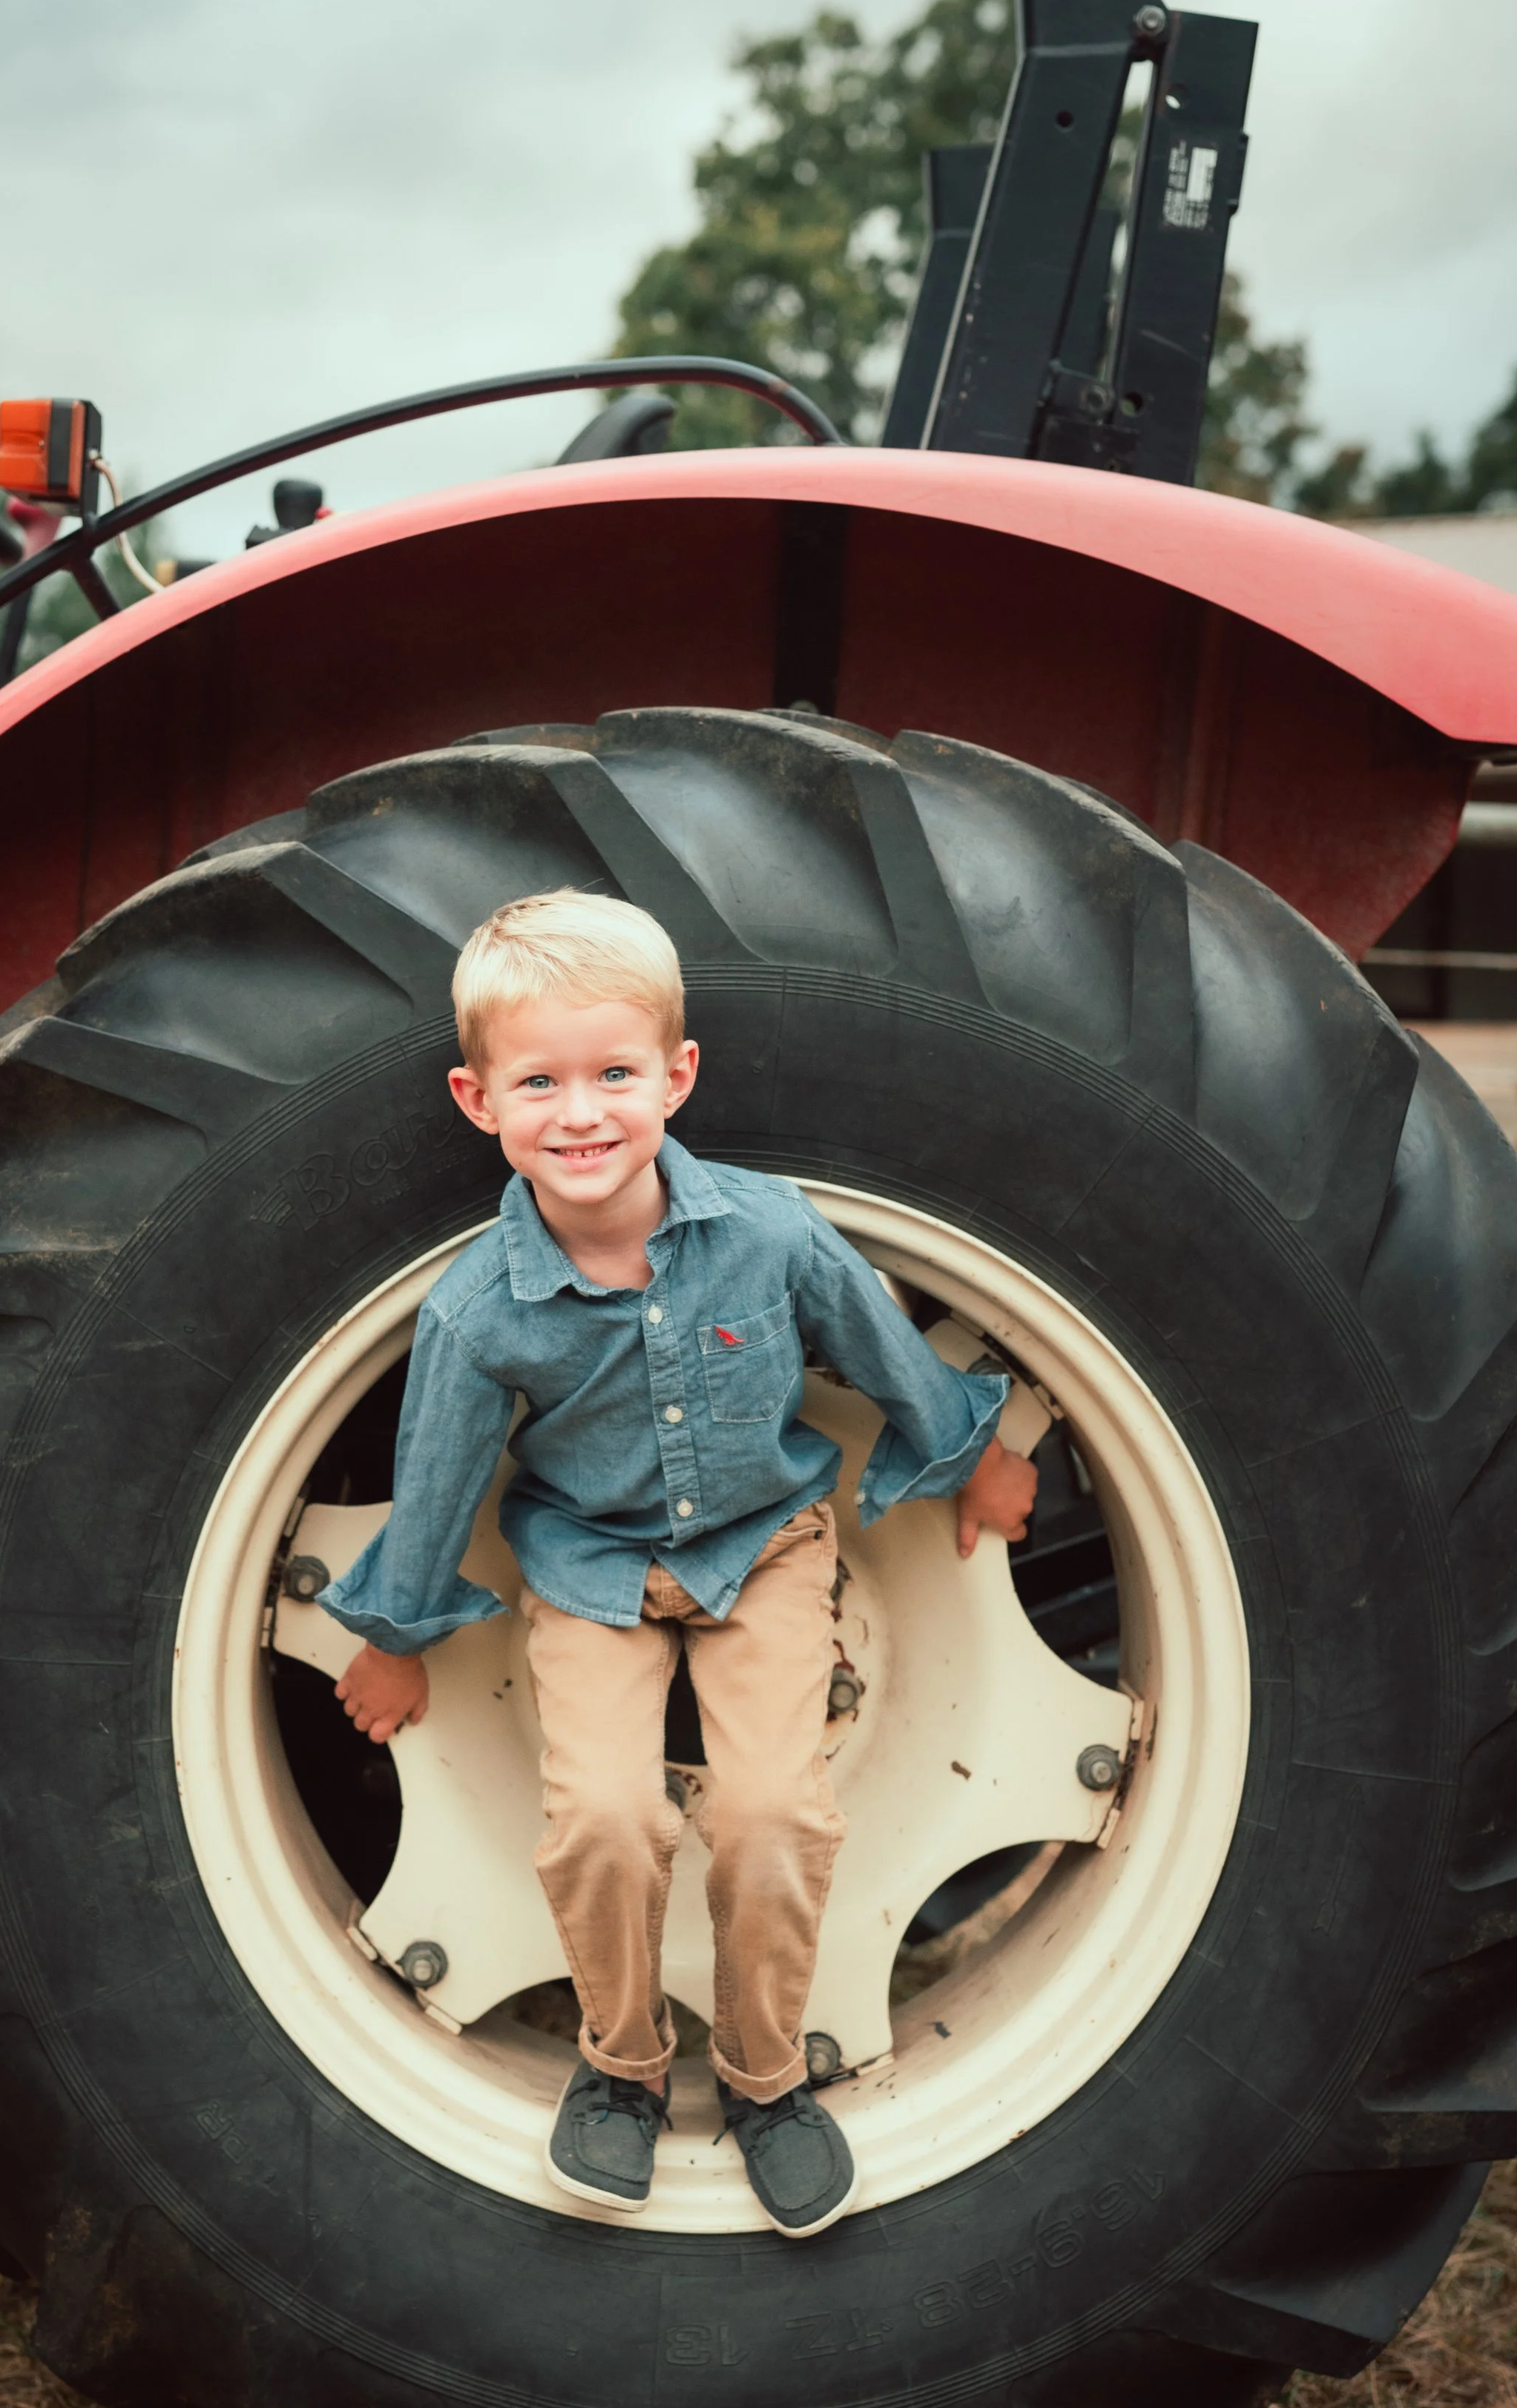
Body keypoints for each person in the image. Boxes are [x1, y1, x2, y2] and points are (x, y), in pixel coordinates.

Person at [319, 891, 1037, 2237]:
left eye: (614, 1074)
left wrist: (974, 1457)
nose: (581, 1114)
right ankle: (624, 2069)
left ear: (676, 1076)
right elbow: (439, 1477)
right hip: (590, 1566)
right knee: (602, 1818)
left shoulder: (770, 1233)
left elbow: (882, 1350)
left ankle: (767, 2082)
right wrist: (394, 1638)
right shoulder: (477, 1309)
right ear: (479, 1099)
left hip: (765, 1547)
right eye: (540, 1083)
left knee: (774, 1816)